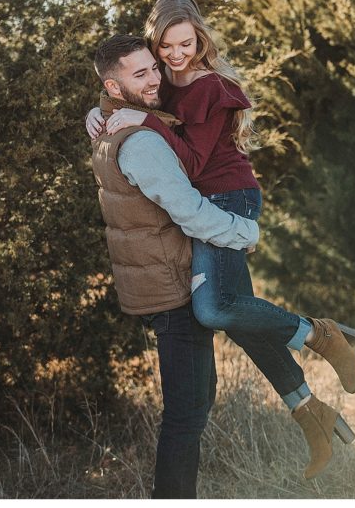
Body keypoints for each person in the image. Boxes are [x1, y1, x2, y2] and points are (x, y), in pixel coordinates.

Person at [88, 0, 355, 479]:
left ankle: (317, 333)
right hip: (209, 205)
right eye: (163, 49)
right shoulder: (163, 87)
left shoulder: (209, 87)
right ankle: (311, 413)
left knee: (216, 308)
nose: (172, 59)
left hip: (229, 198)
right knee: (240, 318)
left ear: (200, 40)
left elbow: (189, 162)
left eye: (185, 44)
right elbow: (133, 102)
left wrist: (140, 119)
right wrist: (99, 111)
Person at [91, 34, 266, 498]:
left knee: (196, 400)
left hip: (160, 280)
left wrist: (105, 110)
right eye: (141, 74)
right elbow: (188, 209)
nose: (155, 80)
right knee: (186, 416)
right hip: (172, 287)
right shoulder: (141, 143)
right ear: (113, 87)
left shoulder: (111, 125)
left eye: (154, 68)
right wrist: (242, 232)